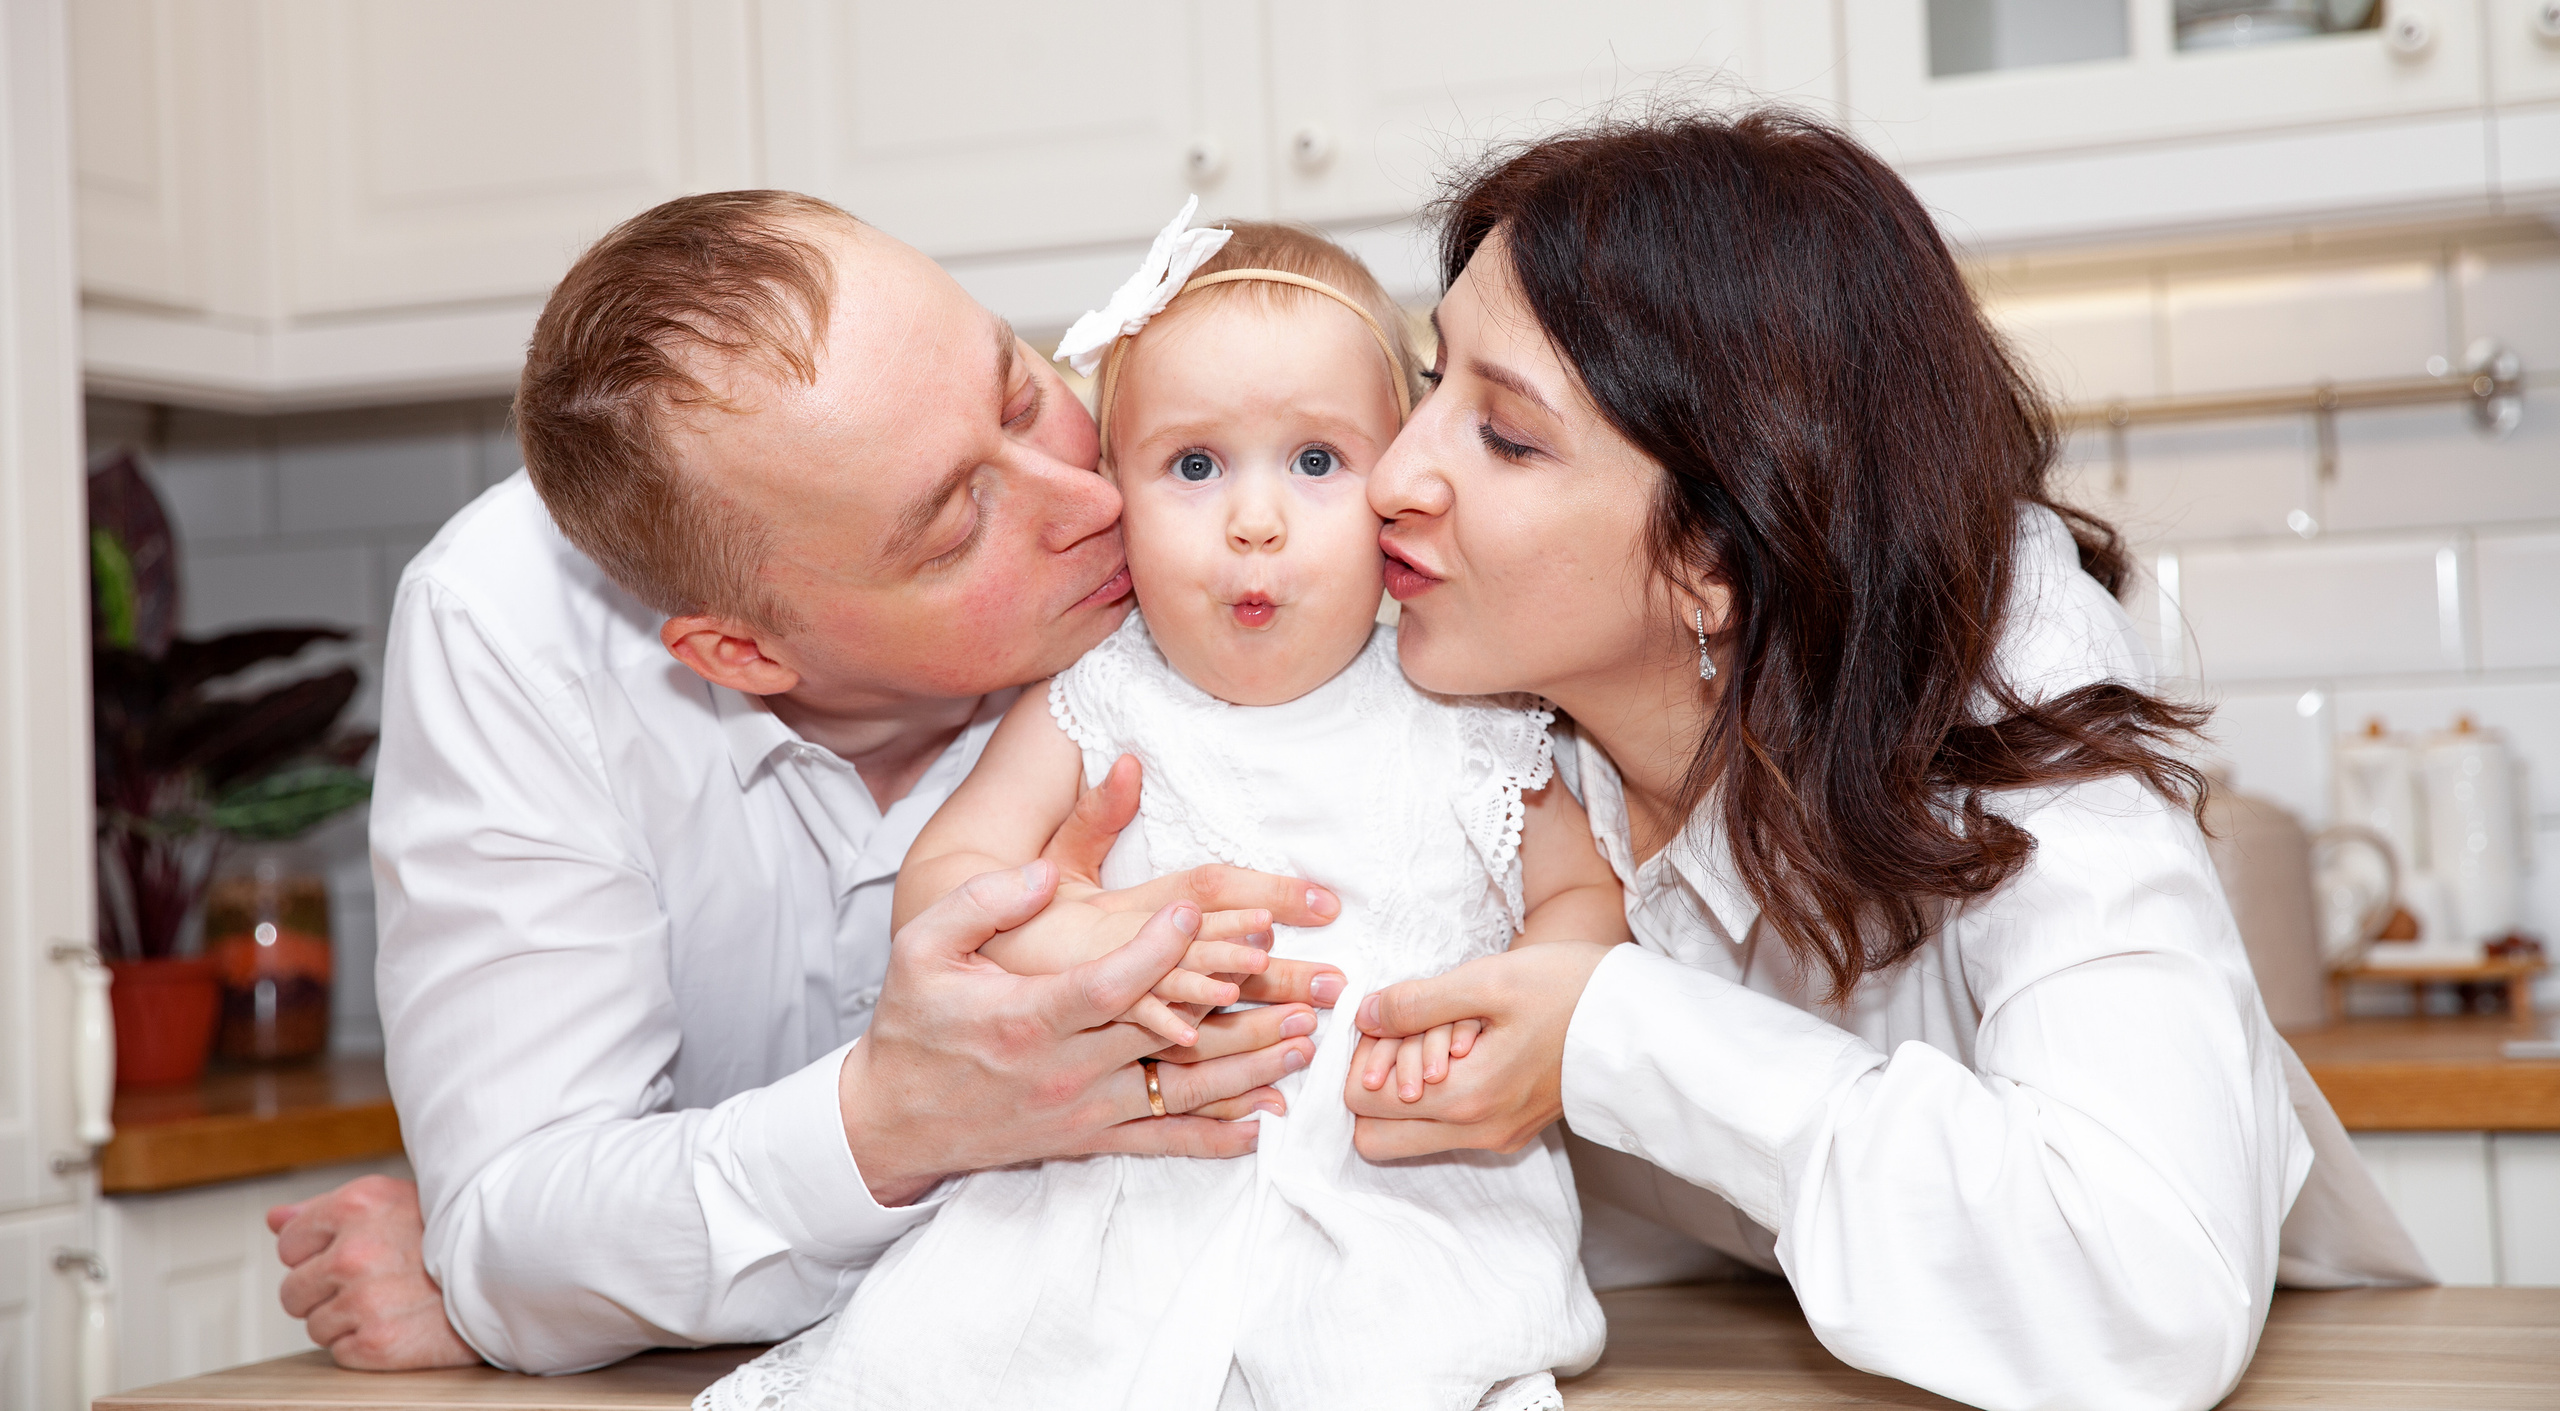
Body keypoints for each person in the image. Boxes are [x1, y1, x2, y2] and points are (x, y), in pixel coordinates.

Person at [1337, 111, 2430, 1411]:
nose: (1390, 473)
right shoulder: (1419, 676)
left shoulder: (2005, 656)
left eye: (1505, 436)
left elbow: (2146, 1291)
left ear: (1718, 560)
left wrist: (1611, 1027)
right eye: (1427, 380)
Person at [267, 192, 1350, 1373]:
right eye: (954, 529)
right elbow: (520, 1227)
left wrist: (576, 1289)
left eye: (1022, 391)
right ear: (742, 654)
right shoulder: (516, 625)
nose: (1095, 504)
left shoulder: (1232, 541)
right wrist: (895, 1122)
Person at [703, 213, 1621, 1411]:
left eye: (1315, 462)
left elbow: (1584, 893)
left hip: (1395, 1185)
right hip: (1117, 1191)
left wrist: (1529, 1009)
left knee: (1404, 1368)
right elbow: (943, 883)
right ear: (1115, 496)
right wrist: (1056, 929)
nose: (1254, 520)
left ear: (1399, 476)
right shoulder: (1100, 695)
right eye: (1194, 467)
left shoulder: (1463, 700)